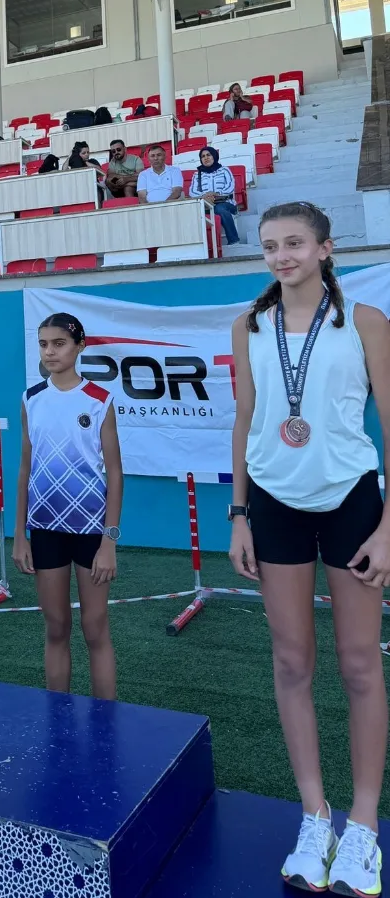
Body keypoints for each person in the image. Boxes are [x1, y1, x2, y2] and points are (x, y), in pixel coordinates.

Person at [228, 201, 390, 897]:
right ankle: (314, 817)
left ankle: (364, 826)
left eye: (294, 243)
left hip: (353, 502)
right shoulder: (249, 325)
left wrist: (389, 526)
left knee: (358, 663)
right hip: (273, 504)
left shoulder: (366, 321)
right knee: (293, 661)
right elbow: (245, 419)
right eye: (270, 246)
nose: (281, 256)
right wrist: (239, 514)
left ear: (325, 248)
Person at [12, 314, 122, 700]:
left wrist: (109, 541)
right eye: (43, 344)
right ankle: (58, 717)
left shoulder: (100, 401)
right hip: (45, 530)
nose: (50, 352)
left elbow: (115, 474)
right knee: (56, 627)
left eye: (58, 343)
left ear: (80, 346)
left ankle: (106, 720)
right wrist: (20, 536)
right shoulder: (31, 399)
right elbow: (25, 468)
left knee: (95, 628)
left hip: (92, 532)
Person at [189, 147, 240, 245]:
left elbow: (230, 186)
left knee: (219, 209)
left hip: (225, 202)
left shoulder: (224, 170)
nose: (206, 158)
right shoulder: (197, 174)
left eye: (208, 155)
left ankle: (234, 240)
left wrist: (216, 194)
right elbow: (192, 192)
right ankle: (199, 244)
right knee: (192, 212)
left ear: (214, 156)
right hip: (205, 204)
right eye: (203, 156)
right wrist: (205, 196)